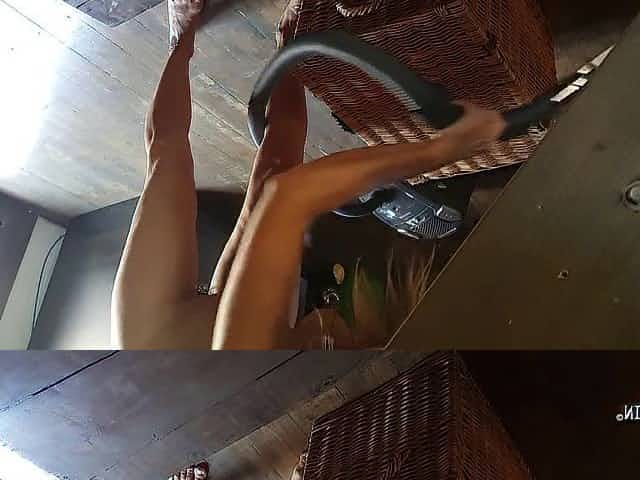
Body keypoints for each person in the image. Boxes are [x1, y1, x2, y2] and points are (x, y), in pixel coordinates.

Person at [111, 0, 507, 350]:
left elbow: (290, 196)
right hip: (247, 343)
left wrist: (441, 150)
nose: (329, 318)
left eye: (332, 337)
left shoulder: (259, 346)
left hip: (160, 334)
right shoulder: (291, 347)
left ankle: (181, 41)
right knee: (280, 162)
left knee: (168, 156)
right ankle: (291, 46)